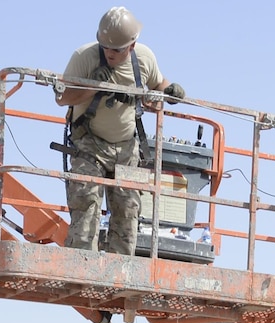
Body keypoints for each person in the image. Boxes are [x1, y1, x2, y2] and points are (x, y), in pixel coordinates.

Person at [54, 9, 183, 264]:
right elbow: (62, 97)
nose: (110, 54)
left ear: (132, 45)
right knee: (86, 204)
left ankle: (120, 272)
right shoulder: (85, 57)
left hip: (126, 148)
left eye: (117, 50)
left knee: (128, 210)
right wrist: (92, 86)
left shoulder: (144, 59)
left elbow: (158, 87)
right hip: (89, 144)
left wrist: (169, 92)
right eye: (106, 48)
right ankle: (82, 267)